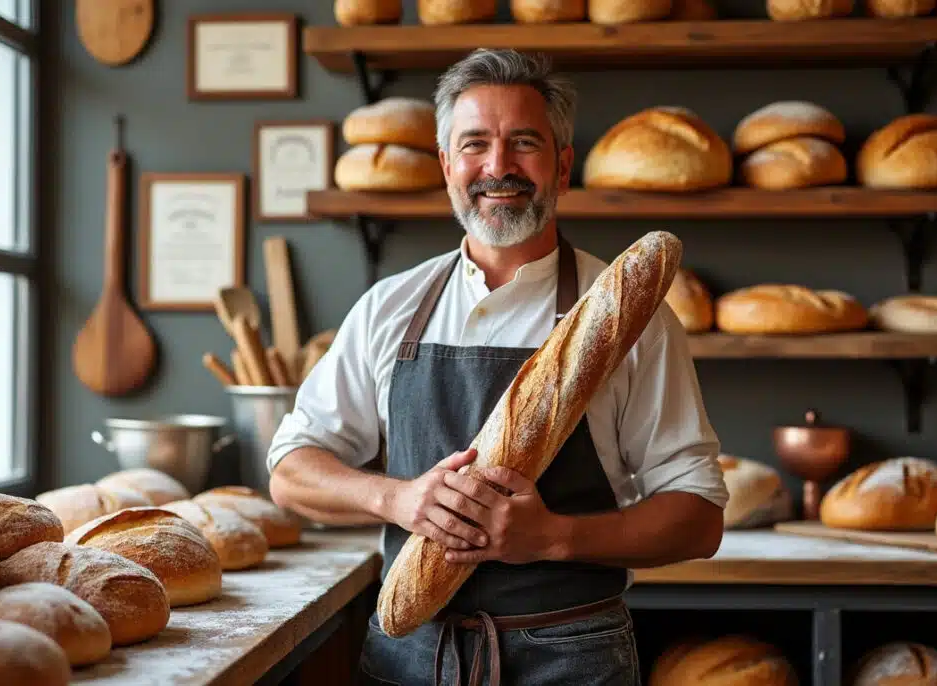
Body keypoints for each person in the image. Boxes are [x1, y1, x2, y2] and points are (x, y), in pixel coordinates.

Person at [267, 48, 728, 686]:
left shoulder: (632, 318)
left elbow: (699, 516)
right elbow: (291, 470)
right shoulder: (389, 307)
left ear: (563, 167)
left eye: (525, 143)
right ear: (446, 165)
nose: (498, 166)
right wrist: (397, 497)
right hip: (409, 657)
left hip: (572, 657)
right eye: (475, 143)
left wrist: (554, 538)